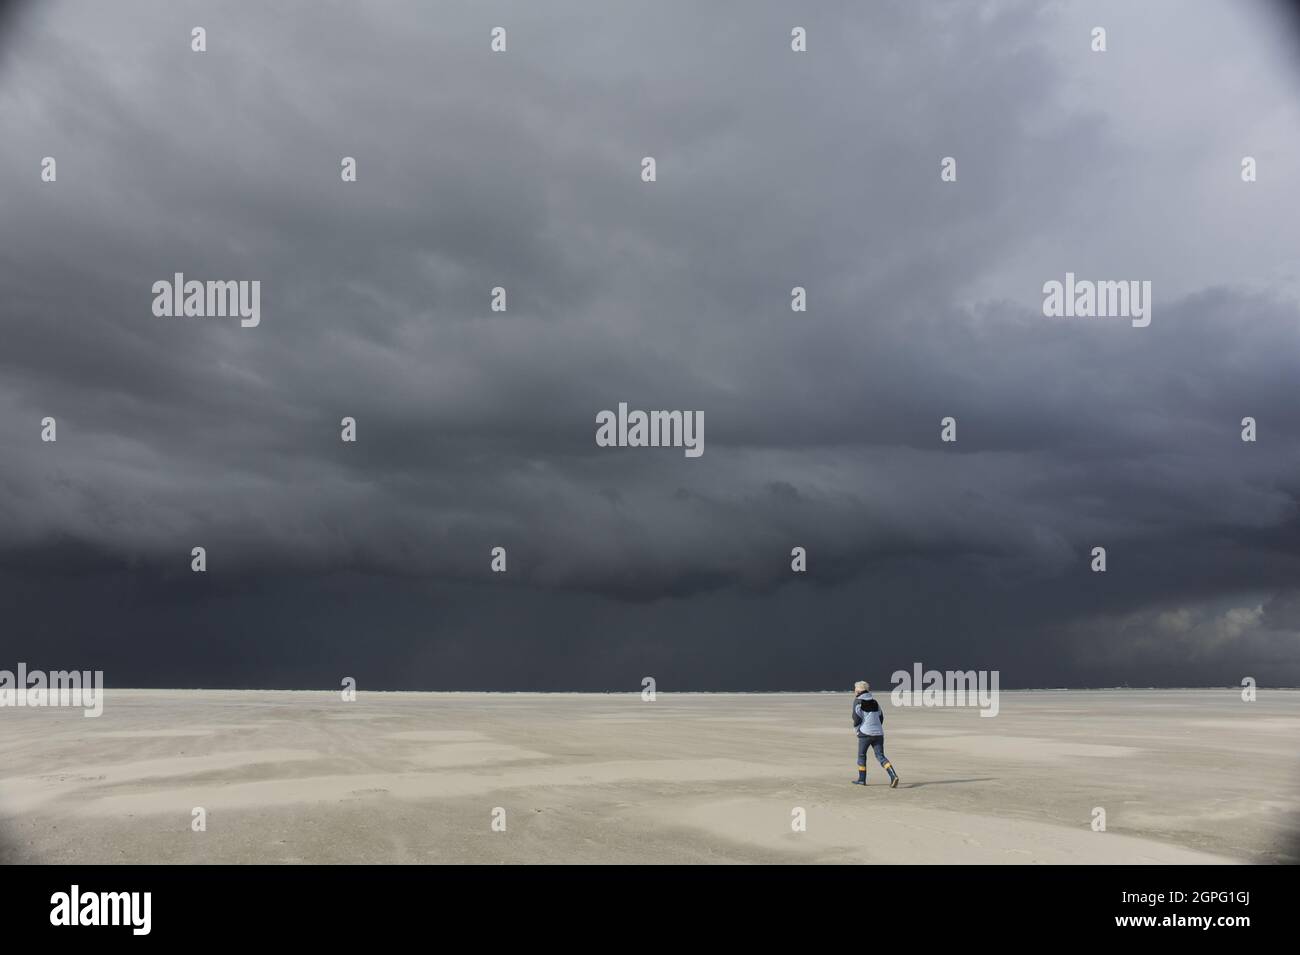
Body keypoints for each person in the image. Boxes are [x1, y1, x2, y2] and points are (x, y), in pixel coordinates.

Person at [852, 680, 899, 787]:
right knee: (880, 756)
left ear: (859, 690)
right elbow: (881, 717)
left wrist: (857, 730)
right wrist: (877, 728)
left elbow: (856, 718)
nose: (854, 690)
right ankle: (893, 776)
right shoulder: (875, 701)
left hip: (865, 733)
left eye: (855, 689)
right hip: (878, 733)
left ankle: (861, 780)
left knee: (862, 756)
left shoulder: (857, 701)